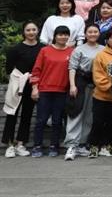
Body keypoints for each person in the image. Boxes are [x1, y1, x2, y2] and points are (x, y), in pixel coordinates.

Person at [29, 26, 74, 157]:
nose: (63, 37)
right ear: (55, 36)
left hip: (62, 91)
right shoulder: (45, 50)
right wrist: (35, 88)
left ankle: (54, 145)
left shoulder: (72, 51)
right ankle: (37, 146)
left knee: (57, 121)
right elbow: (36, 70)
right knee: (41, 120)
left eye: (65, 34)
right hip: (45, 90)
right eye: (60, 34)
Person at [3, 21, 44, 158]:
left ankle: (21, 143)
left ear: (38, 31)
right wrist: (19, 78)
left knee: (27, 114)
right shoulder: (15, 49)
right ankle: (9, 145)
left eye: (34, 29)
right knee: (12, 113)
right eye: (28, 30)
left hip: (33, 85)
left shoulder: (42, 48)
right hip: (17, 84)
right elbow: (9, 69)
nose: (31, 32)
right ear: (24, 32)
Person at [63, 24, 103, 160]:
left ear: (99, 33)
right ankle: (71, 145)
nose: (93, 34)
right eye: (90, 32)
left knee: (89, 115)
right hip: (80, 83)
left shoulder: (103, 49)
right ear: (85, 34)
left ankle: (82, 144)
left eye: (95, 31)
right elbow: (72, 68)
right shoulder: (79, 49)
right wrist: (72, 85)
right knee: (76, 112)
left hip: (96, 84)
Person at [88, 28, 112, 158]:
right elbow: (98, 77)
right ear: (107, 40)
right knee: (98, 122)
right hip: (102, 96)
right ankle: (93, 146)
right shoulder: (101, 55)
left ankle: (107, 145)